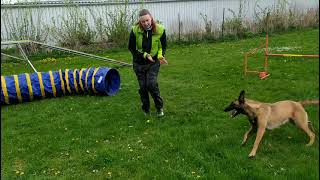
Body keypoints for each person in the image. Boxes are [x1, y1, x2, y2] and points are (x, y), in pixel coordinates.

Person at [128, 9, 168, 117]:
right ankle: (146, 109)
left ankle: (159, 108)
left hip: (153, 62)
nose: (145, 23)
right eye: (142, 22)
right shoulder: (135, 30)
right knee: (143, 87)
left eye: (147, 20)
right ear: (139, 22)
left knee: (151, 84)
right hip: (139, 63)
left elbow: (163, 46)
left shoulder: (160, 29)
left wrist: (161, 56)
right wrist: (145, 55)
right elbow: (131, 48)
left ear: (151, 18)